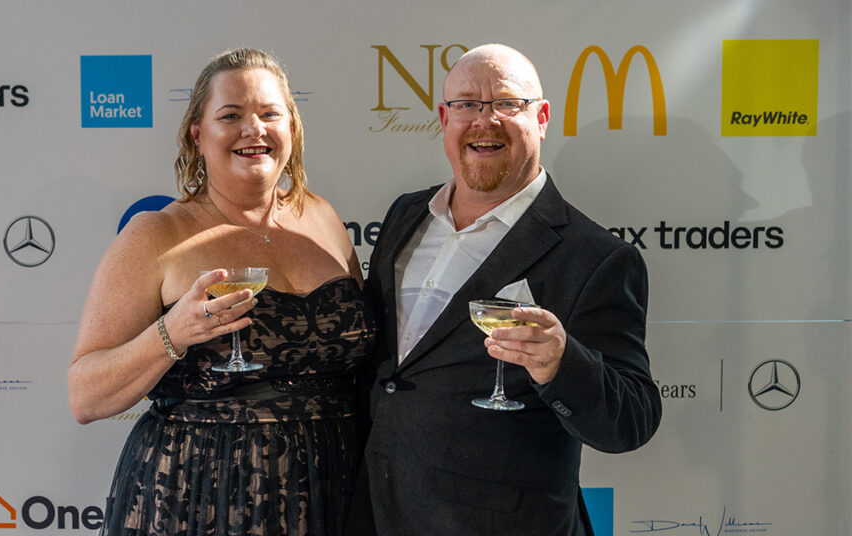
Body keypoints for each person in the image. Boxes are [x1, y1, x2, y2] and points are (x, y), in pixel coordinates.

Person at [352, 44, 662, 535]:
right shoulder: (406, 214)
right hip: (376, 512)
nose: (484, 120)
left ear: (541, 118)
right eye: (467, 104)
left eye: (506, 103)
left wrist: (561, 362)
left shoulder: (596, 258)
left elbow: (631, 420)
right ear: (445, 119)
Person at [69, 48, 374, 536]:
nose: (253, 129)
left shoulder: (324, 217)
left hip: (333, 489)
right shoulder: (155, 234)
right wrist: (172, 333)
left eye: (270, 114)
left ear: (291, 127)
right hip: (199, 494)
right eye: (230, 116)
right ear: (198, 134)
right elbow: (85, 396)